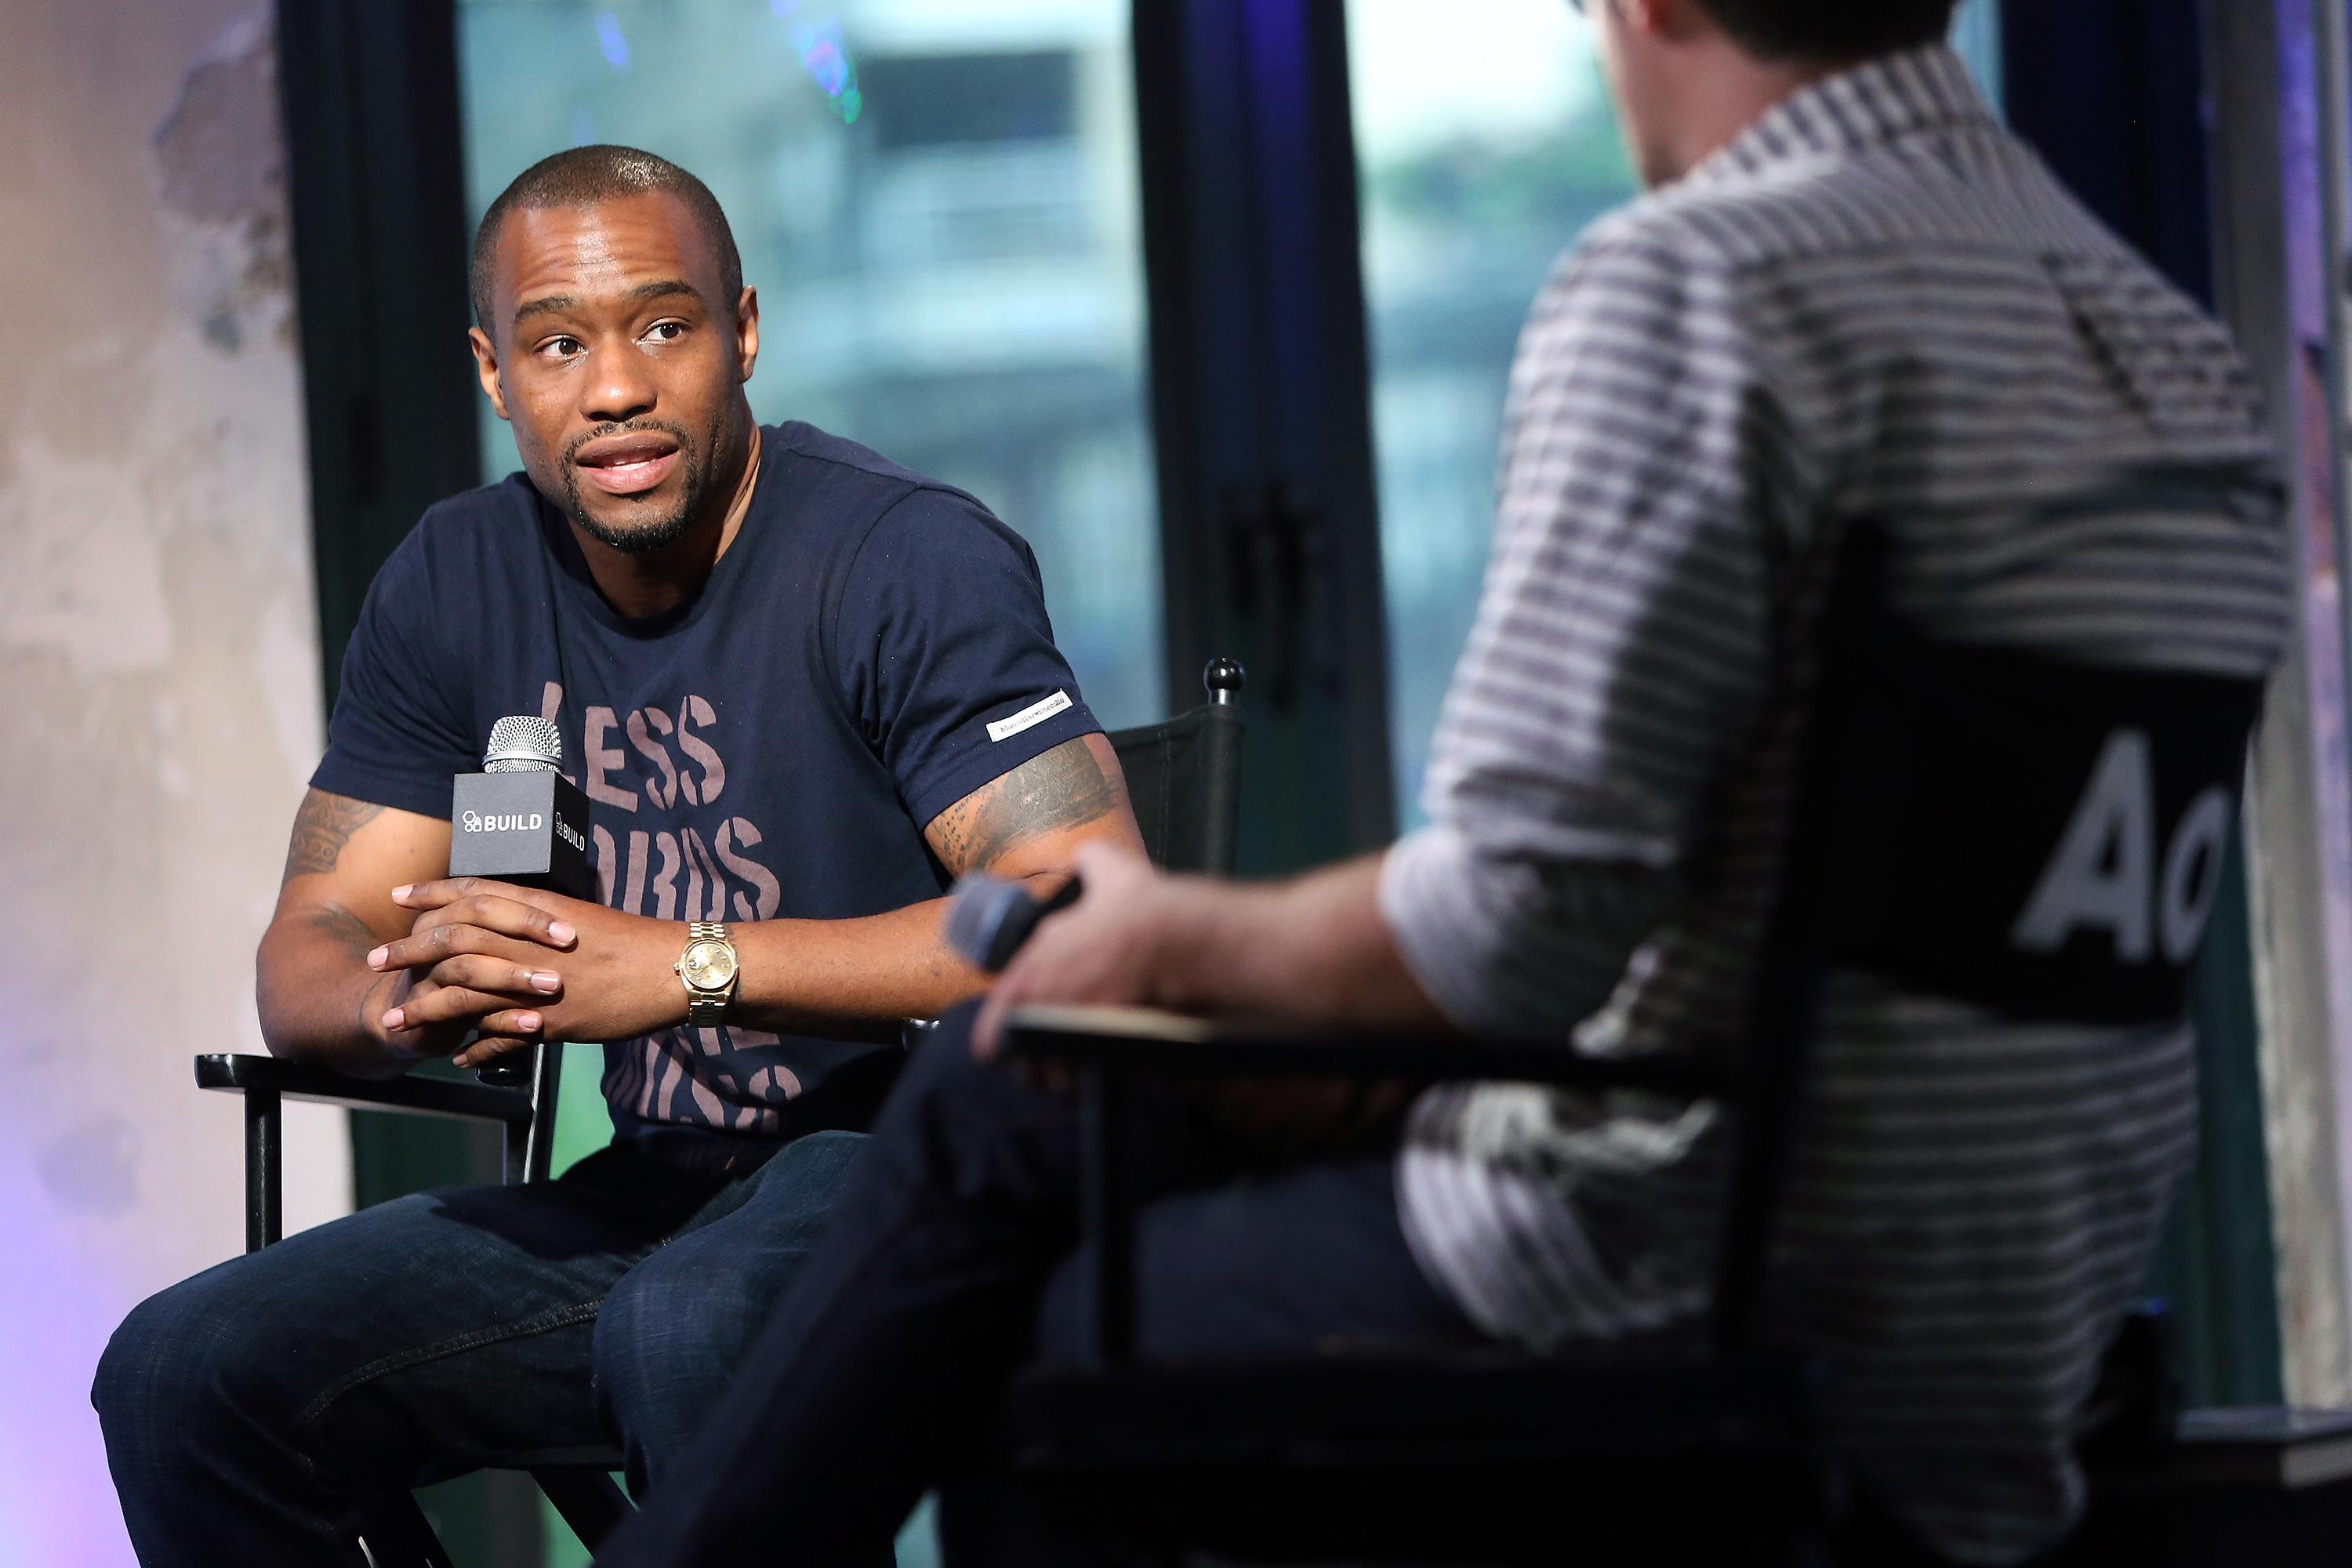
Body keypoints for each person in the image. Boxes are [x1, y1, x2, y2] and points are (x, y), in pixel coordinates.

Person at [592, 3, 2296, 1566]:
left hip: (1704, 1271)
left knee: (1030, 1162)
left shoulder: (1706, 283)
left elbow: (1511, 936)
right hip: (2013, 1306)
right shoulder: (2168, 351)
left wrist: (1169, 937)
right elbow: (1864, 911)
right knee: (1036, 1087)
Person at [91, 144, 1144, 1565]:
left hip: (921, 1172)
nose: (615, 390)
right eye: (557, 343)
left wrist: (688, 971)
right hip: (647, 1206)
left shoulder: (899, 557)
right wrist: (411, 995)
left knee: (686, 1326)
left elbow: (1085, 918)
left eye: (665, 326)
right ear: (492, 370)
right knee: (183, 1370)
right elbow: (308, 954)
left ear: (744, 332)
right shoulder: (458, 581)